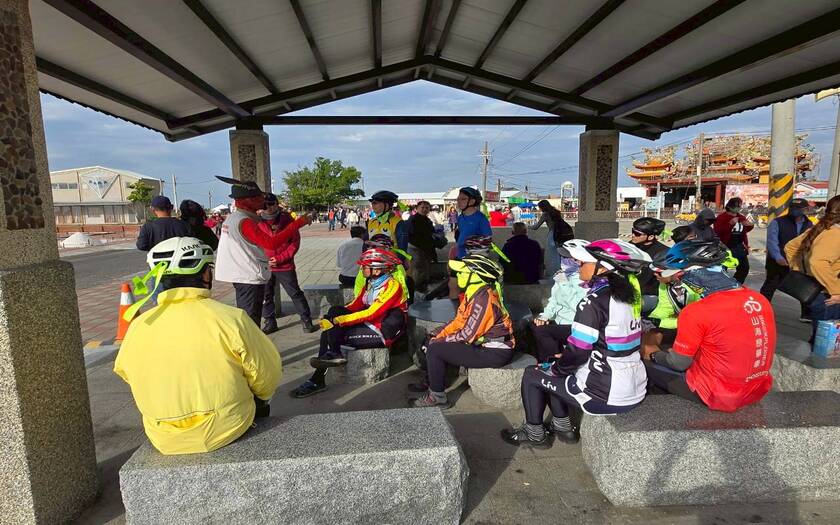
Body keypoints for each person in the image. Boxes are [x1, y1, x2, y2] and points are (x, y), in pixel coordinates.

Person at [114, 237, 281, 455]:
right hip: (227, 427)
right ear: (205, 274)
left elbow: (125, 371)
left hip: (162, 435)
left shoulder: (139, 325)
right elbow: (268, 377)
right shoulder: (231, 319)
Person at [501, 239, 650, 447]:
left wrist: (557, 368)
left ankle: (535, 433)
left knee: (534, 374)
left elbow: (579, 351)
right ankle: (564, 429)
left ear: (602, 268)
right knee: (555, 368)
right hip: (635, 386)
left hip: (605, 392)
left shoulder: (593, 302)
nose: (578, 264)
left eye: (583, 262)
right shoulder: (627, 297)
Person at [643, 248, 775, 412]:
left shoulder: (696, 311)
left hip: (718, 394)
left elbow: (678, 363)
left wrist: (653, 354)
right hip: (757, 389)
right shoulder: (759, 299)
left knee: (645, 360)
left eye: (680, 276)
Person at [291, 248, 408, 397]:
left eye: (365, 267)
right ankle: (333, 355)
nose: (361, 269)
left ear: (377, 270)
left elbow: (371, 313)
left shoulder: (393, 286)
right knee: (334, 311)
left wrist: (339, 321)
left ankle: (318, 378)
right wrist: (333, 317)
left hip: (382, 330)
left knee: (330, 331)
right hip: (371, 323)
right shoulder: (371, 283)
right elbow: (355, 305)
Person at [410, 254, 515, 408]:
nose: (458, 275)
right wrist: (438, 334)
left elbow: (467, 335)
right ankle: (433, 381)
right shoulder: (474, 293)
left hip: (495, 352)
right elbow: (459, 321)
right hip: (482, 345)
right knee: (432, 338)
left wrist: (439, 340)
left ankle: (437, 397)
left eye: (462, 272)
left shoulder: (484, 300)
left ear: (476, 276)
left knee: (435, 349)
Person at [214, 177, 311, 326]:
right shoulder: (245, 222)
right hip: (248, 278)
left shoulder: (235, 218)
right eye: (260, 198)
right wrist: (298, 223)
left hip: (245, 274)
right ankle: (254, 339)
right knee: (251, 321)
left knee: (250, 316)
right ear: (249, 200)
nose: (264, 203)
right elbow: (271, 243)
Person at [642, 240, 723, 358]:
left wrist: (660, 322)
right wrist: (653, 321)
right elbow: (665, 307)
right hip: (685, 324)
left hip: (708, 330)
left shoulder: (697, 287)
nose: (655, 275)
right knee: (649, 339)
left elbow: (698, 321)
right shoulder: (665, 283)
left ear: (676, 272)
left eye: (659, 273)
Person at [259, 194, 316, 335]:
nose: (268, 207)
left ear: (277, 204)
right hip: (265, 265)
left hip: (285, 265)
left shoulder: (287, 219)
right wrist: (263, 259)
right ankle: (270, 321)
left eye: (271, 204)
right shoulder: (257, 221)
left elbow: (294, 243)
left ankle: (306, 320)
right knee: (266, 295)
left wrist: (280, 258)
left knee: (295, 293)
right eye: (264, 205)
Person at [785, 194, 840, 341]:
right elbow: (818, 262)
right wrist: (836, 291)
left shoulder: (821, 228)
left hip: (816, 292)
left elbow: (790, 247)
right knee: (827, 343)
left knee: (820, 338)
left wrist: (800, 271)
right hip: (829, 296)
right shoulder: (835, 234)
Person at [528, 239, 589, 363]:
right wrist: (545, 316)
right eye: (562, 257)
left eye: (568, 258)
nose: (564, 260)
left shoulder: (585, 280)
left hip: (573, 323)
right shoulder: (562, 275)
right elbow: (553, 300)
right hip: (558, 320)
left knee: (541, 331)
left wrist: (564, 284)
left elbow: (578, 306)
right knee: (532, 326)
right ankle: (544, 361)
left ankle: (558, 359)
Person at [760, 198, 813, 320]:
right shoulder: (777, 222)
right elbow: (772, 241)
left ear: (805, 210)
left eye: (798, 209)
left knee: (804, 286)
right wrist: (778, 257)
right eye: (792, 208)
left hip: (798, 262)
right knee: (770, 286)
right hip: (778, 262)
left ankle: (806, 314)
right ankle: (762, 309)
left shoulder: (809, 224)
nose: (795, 211)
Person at [713, 198, 753, 284]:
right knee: (722, 269)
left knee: (744, 268)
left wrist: (750, 225)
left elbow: (745, 230)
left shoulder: (741, 217)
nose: (739, 208)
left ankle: (736, 283)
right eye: (737, 206)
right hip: (725, 247)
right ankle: (721, 285)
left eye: (740, 206)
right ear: (730, 206)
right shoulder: (721, 217)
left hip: (739, 246)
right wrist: (730, 224)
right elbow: (717, 231)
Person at [531, 200, 574, 276]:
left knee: (551, 255)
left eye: (540, 207)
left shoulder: (545, 214)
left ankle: (552, 272)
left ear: (542, 207)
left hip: (552, 236)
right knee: (558, 254)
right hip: (560, 235)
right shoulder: (556, 212)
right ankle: (560, 271)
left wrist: (526, 227)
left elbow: (536, 227)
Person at [629, 217, 668, 296]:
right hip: (628, 290)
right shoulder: (631, 245)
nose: (633, 235)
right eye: (633, 231)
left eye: (637, 234)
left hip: (648, 294)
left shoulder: (663, 252)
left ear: (651, 237)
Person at [406, 200, 436, 293]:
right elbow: (412, 234)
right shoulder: (413, 219)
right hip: (415, 247)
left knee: (424, 268)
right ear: (417, 208)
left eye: (427, 208)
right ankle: (417, 289)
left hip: (424, 248)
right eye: (422, 207)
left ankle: (422, 287)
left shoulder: (427, 220)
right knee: (418, 269)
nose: (424, 209)